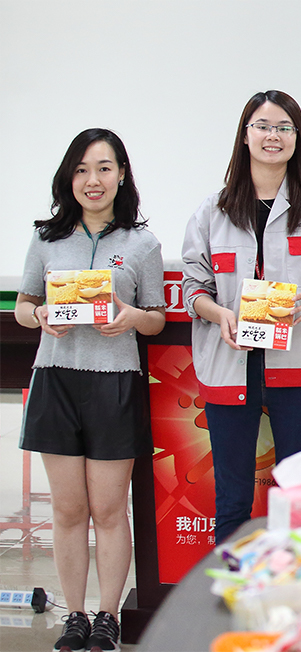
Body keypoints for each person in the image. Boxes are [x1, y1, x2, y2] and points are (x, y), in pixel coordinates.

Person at [183, 90, 301, 544]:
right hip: (230, 365)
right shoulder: (212, 211)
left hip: (298, 367)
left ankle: (299, 584)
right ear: (245, 136)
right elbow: (192, 288)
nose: (272, 136)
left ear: (298, 138)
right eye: (262, 126)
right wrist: (219, 313)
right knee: (232, 497)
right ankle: (233, 585)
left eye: (284, 127)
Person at [17, 129, 165, 652]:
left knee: (108, 510)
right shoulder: (46, 238)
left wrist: (131, 318)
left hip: (114, 383)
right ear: (69, 178)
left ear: (121, 174)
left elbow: (156, 318)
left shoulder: (142, 244)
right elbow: (24, 304)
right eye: (81, 170)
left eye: (103, 168)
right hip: (56, 378)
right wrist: (39, 315)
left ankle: (108, 616)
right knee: (67, 510)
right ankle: (74, 615)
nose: (92, 180)